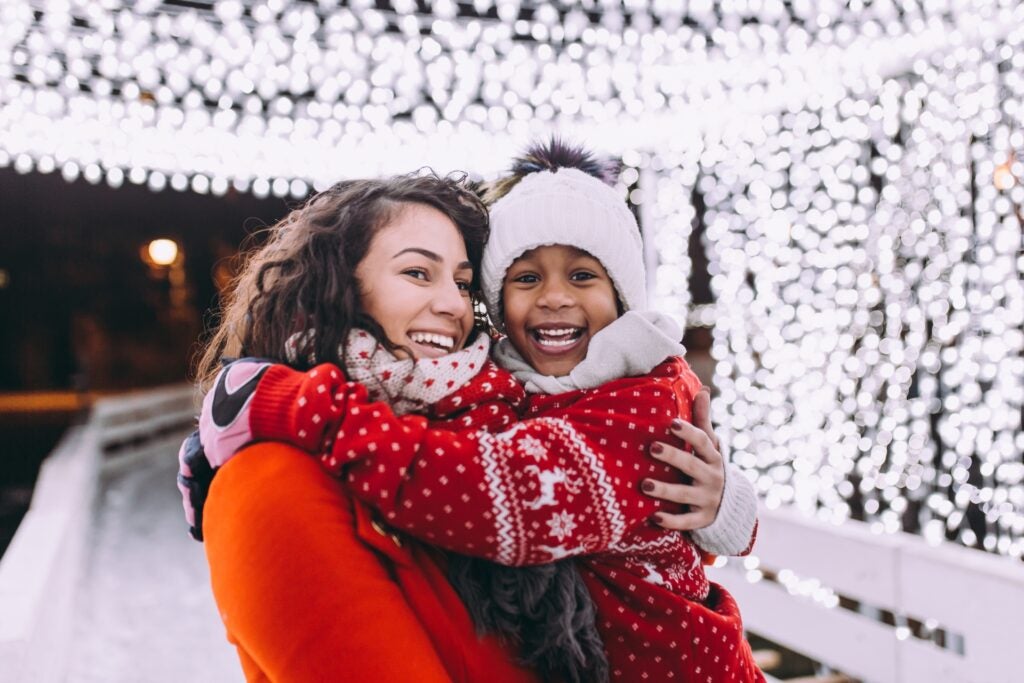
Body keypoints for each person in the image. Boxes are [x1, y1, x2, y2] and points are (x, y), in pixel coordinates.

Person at [190, 142, 764, 682]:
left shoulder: (501, 408)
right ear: (337, 285)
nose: (450, 305)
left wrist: (722, 502)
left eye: (463, 283)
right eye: (418, 272)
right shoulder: (273, 481)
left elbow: (521, 492)